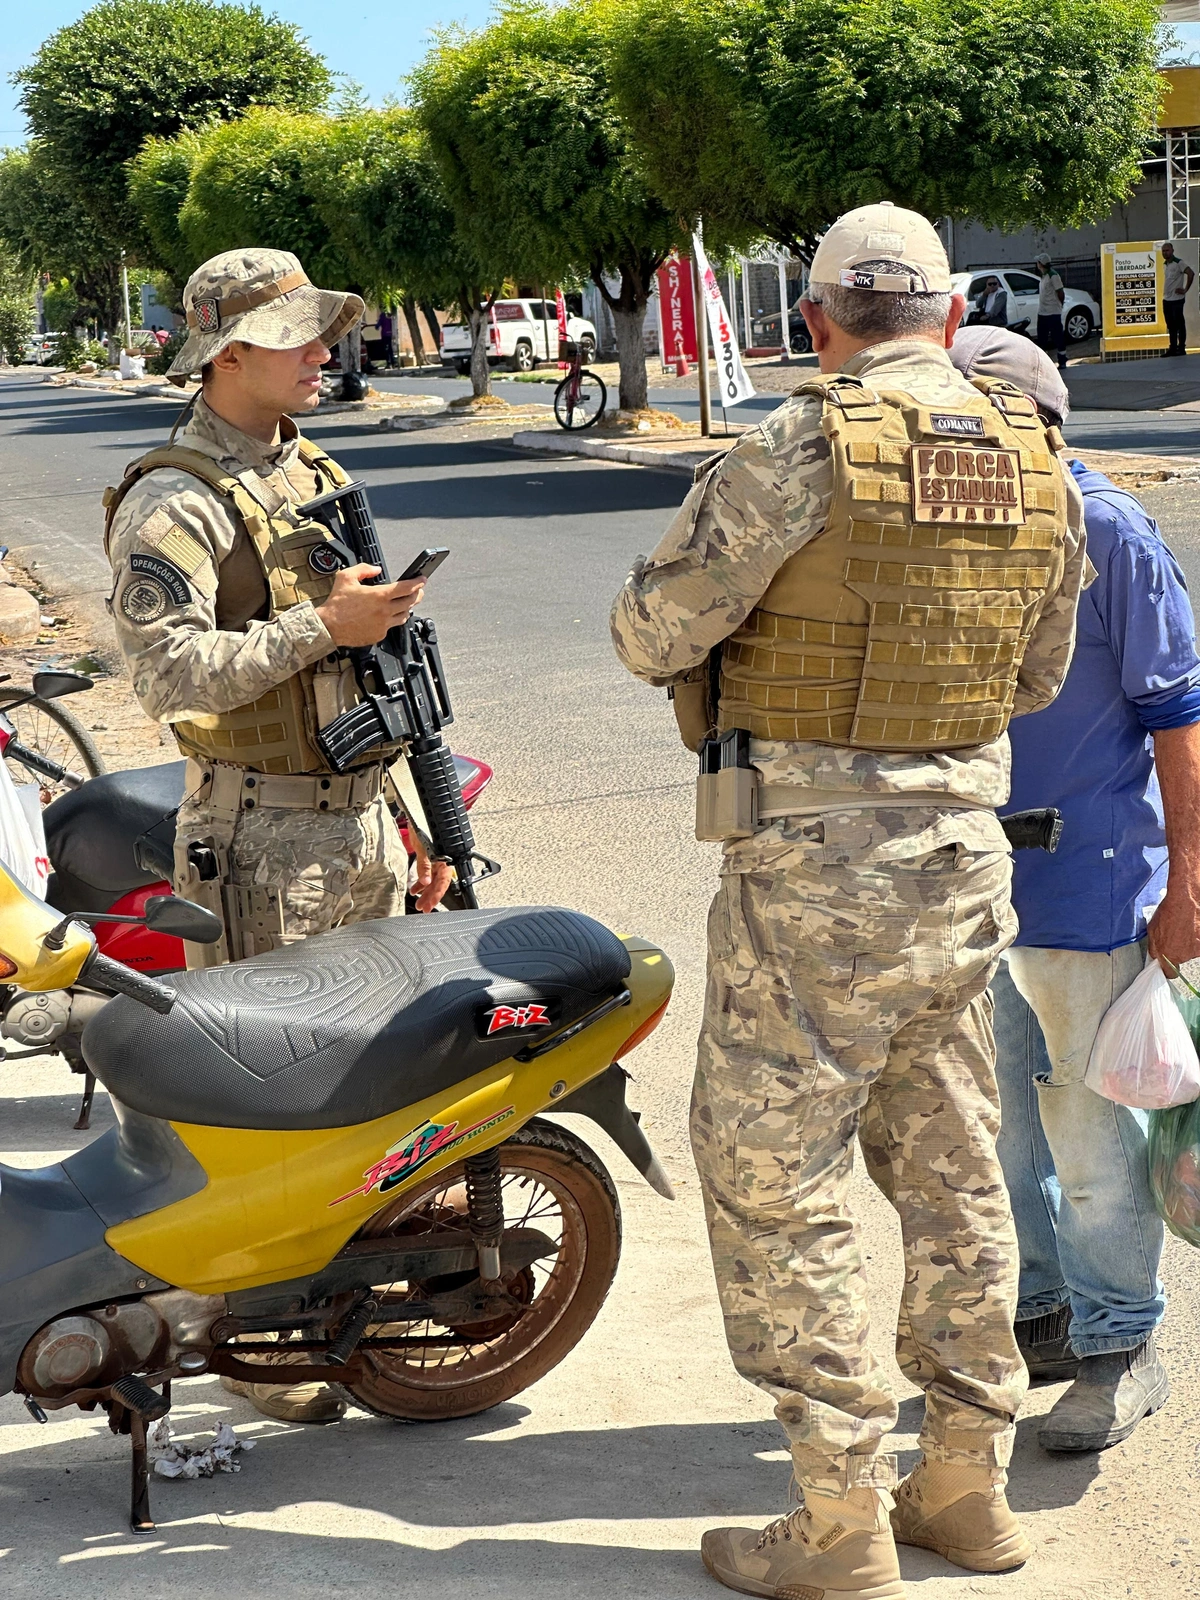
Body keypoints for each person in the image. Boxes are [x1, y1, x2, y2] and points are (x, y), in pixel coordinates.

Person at [611, 202, 1089, 1599]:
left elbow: (653, 632)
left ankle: (837, 1515)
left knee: (777, 1175)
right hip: (963, 857)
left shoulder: (796, 445)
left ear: (815, 321)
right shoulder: (1037, 458)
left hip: (813, 872)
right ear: (947, 314)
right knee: (953, 1168)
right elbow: (1039, 679)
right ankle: (967, 1487)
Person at [103, 247, 451, 1425]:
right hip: (258, 839)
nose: (323, 349)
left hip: (357, 828)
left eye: (321, 331)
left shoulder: (310, 466)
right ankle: (261, 1344)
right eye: (297, 335)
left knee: (373, 1094)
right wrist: (318, 625)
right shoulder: (174, 498)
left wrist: (416, 822)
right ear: (226, 353)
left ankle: (346, 1313)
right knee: (265, 1108)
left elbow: (370, 673)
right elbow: (168, 673)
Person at [949, 324, 1199, 1450]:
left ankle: (1120, 1345)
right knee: (1000, 1133)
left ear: (1034, 422)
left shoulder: (1109, 527)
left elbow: (1180, 718)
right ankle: (1040, 1319)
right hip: (971, 886)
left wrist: (1187, 880)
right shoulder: (958, 527)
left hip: (1091, 886)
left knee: (1094, 1147)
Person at [1034, 253, 1067, 371]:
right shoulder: (1043, 276)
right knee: (1042, 338)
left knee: (1057, 336)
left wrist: (1059, 305)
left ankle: (1062, 359)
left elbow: (1060, 292)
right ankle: (1043, 363)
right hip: (1042, 312)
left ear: (1041, 264)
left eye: (1038, 262)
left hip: (1053, 311)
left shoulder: (1053, 275)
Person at [1162, 242, 1194, 357]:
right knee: (1170, 325)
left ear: (1172, 251)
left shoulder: (1178, 263)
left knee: (1179, 323)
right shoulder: (1165, 264)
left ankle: (1181, 347)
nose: (1165, 253)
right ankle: (1173, 347)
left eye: (1167, 250)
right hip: (1167, 299)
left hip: (1177, 299)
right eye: (1163, 251)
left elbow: (1190, 273)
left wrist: (1185, 289)